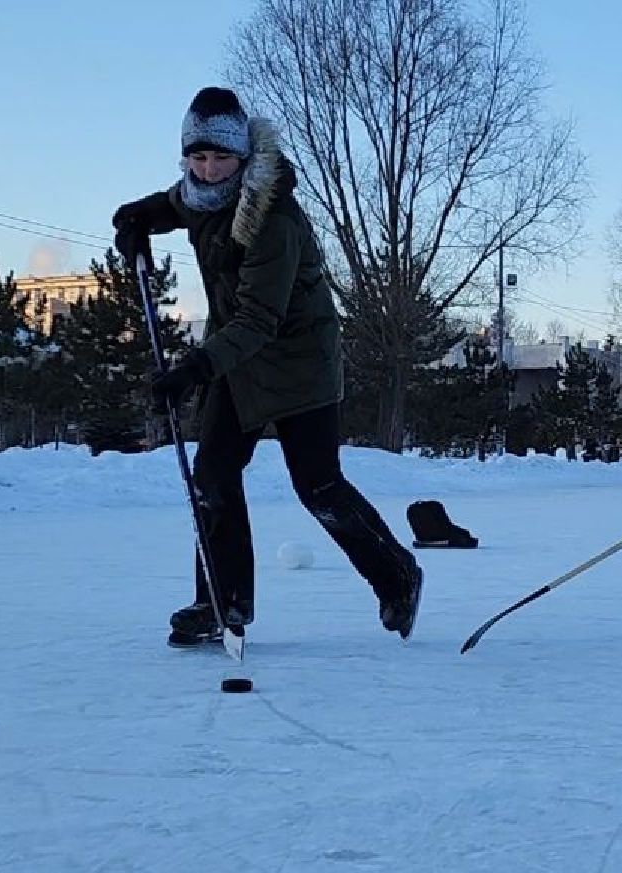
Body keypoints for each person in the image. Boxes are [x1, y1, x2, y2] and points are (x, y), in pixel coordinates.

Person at [111, 87, 422, 647]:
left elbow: (259, 320)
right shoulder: (200, 194)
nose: (208, 170)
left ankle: (398, 576)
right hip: (238, 362)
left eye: (220, 158)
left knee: (319, 486)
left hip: (296, 362)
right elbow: (173, 204)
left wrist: (193, 370)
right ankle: (222, 604)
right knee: (212, 478)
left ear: (244, 157)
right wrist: (135, 218)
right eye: (196, 157)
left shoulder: (271, 217)